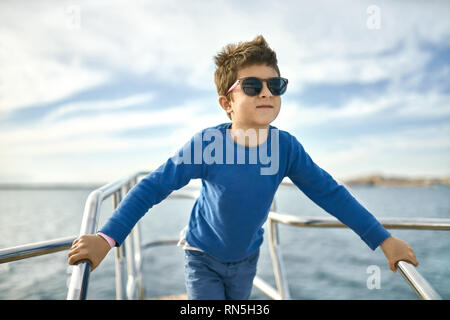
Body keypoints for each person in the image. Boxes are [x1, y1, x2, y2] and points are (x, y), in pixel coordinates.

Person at [68, 35, 419, 300]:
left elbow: (331, 194)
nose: (266, 92)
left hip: (246, 258)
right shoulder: (207, 145)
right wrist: (105, 237)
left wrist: (383, 239)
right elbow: (150, 187)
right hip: (201, 255)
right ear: (227, 103)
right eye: (252, 86)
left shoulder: (286, 148)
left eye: (275, 85)